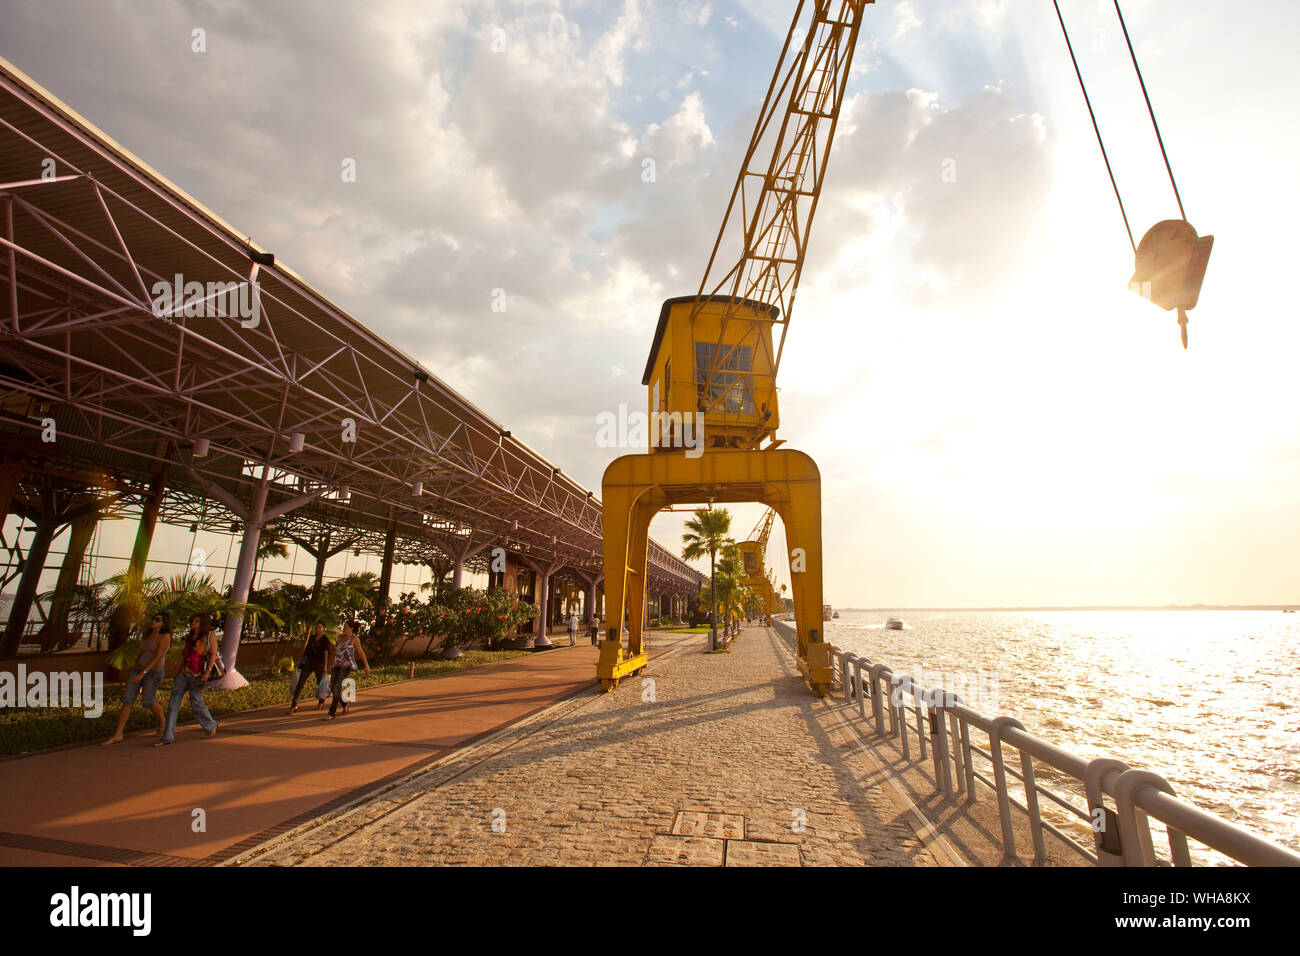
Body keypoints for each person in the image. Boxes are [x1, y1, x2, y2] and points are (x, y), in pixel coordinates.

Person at [102, 612, 173, 745]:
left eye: (158, 620)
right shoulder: (148, 634)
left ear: (164, 623)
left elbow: (158, 657)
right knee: (127, 700)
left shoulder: (165, 636)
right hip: (138, 670)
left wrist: (143, 673)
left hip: (152, 672)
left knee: (148, 701)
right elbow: (142, 652)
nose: (154, 621)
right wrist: (135, 667)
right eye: (153, 619)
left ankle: (162, 719)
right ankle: (118, 734)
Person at [155, 613, 220, 745]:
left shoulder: (209, 635)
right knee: (173, 705)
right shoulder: (190, 637)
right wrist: (178, 672)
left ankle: (210, 725)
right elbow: (185, 657)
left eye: (196, 621)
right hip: (184, 675)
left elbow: (213, 654)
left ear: (202, 623)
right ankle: (167, 737)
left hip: (198, 675)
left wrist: (207, 672)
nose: (193, 623)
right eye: (192, 620)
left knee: (196, 702)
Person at [326, 620, 370, 719]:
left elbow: (360, 652)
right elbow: (333, 653)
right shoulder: (338, 638)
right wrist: (329, 666)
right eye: (343, 627)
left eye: (346, 627)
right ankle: (345, 703)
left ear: (351, 628)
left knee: (337, 685)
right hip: (335, 665)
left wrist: (366, 665)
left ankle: (331, 713)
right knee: (333, 687)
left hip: (346, 666)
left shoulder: (354, 639)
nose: (343, 629)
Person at [289, 621, 331, 714]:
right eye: (316, 628)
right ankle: (294, 705)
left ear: (323, 628)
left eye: (320, 627)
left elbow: (326, 654)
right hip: (309, 662)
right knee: (300, 683)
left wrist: (325, 667)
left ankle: (321, 702)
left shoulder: (325, 639)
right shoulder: (312, 638)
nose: (318, 629)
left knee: (320, 683)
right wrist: (302, 662)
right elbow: (307, 652)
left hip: (319, 663)